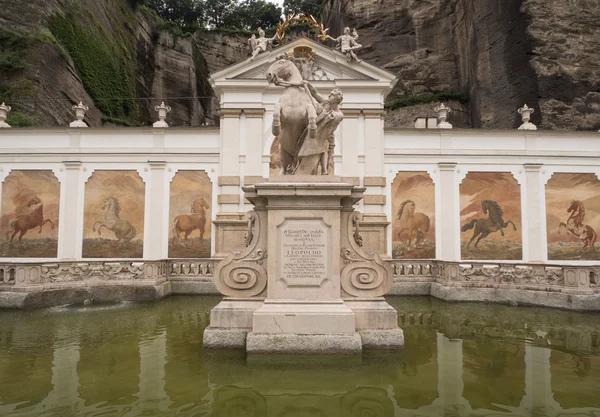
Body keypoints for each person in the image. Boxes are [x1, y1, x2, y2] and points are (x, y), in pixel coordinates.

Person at [296, 81, 344, 174]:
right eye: (330, 94)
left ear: (337, 100)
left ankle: (324, 170)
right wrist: (308, 84)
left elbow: (329, 129)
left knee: (324, 148)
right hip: (317, 134)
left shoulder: (338, 115)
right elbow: (315, 93)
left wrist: (325, 116)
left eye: (332, 95)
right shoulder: (326, 103)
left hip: (326, 137)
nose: (329, 96)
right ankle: (323, 170)